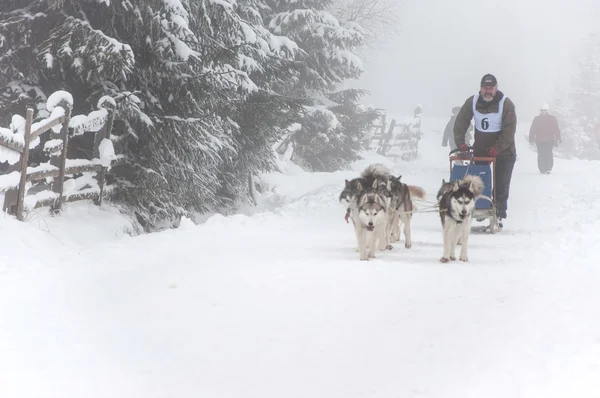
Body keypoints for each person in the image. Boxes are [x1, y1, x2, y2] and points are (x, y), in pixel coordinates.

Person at [453, 73, 517, 229]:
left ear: (496, 88)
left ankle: (499, 213)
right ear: (481, 88)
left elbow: (509, 130)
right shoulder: (473, 101)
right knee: (478, 182)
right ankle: (481, 208)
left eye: (491, 88)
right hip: (481, 148)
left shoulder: (506, 103)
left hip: (504, 151)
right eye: (485, 88)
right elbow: (461, 122)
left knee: (501, 183)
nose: (488, 91)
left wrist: (498, 148)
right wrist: (460, 142)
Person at [528, 103, 561, 174]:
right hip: (539, 140)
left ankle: (548, 168)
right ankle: (542, 169)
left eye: (545, 110)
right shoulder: (536, 119)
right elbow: (532, 129)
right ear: (540, 111)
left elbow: (556, 129)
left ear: (547, 110)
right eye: (542, 110)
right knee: (541, 154)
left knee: (548, 154)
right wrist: (531, 139)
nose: (543, 112)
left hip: (549, 140)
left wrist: (558, 138)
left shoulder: (552, 118)